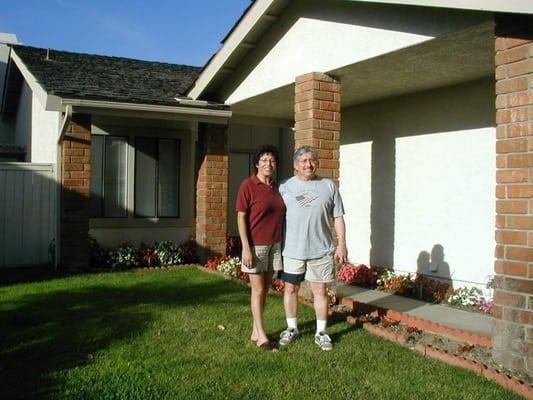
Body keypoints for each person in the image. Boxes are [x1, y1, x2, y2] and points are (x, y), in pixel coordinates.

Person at [278, 145, 347, 351]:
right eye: (304, 161)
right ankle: (292, 328)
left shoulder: (329, 186)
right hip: (292, 251)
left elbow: (338, 217)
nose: (309, 164)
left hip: (321, 251)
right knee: (290, 288)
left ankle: (321, 332)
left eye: (312, 160)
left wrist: (342, 244)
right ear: (295, 166)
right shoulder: (284, 187)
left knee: (320, 291)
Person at [236, 144, 285, 351]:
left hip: (274, 245)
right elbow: (241, 216)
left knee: (265, 290)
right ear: (257, 163)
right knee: (257, 290)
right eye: (264, 160)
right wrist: (246, 247)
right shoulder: (248, 185)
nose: (268, 163)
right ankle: (262, 336)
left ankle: (256, 330)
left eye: (272, 160)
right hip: (256, 246)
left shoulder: (275, 187)